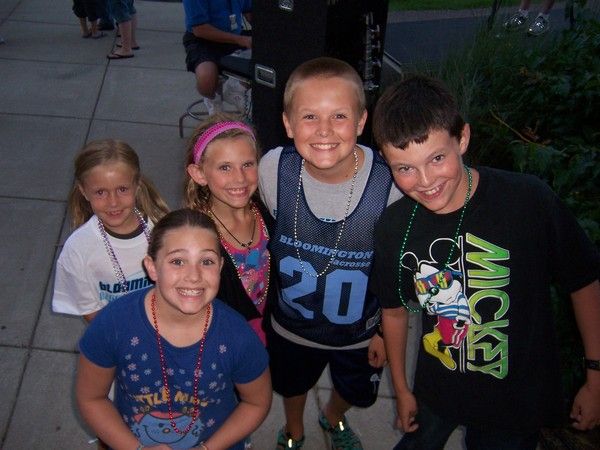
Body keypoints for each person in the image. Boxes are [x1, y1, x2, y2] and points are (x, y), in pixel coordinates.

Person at [369, 74, 600, 449]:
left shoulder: (527, 201)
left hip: (514, 401)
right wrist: (401, 389)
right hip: (438, 389)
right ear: (386, 161)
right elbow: (394, 312)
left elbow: (584, 281)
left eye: (437, 158)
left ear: (462, 138)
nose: (425, 181)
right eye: (404, 168)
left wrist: (596, 376)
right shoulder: (394, 228)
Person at [258, 56, 403, 449]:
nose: (324, 130)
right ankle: (294, 428)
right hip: (292, 324)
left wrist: (383, 331)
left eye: (339, 116)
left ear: (361, 121)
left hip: (359, 331)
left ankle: (333, 416)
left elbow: (400, 267)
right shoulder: (273, 170)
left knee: (355, 389)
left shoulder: (390, 185)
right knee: (292, 384)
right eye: (309, 117)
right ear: (288, 123)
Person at [76, 208, 272, 449]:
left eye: (207, 261)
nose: (193, 276)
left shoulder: (238, 337)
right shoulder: (113, 324)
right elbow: (91, 397)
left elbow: (256, 403)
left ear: (220, 267)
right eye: (178, 261)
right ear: (152, 267)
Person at [52, 139, 169, 322]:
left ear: (137, 185)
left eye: (122, 189)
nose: (113, 202)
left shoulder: (166, 229)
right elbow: (90, 310)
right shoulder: (78, 249)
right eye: (100, 192)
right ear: (84, 191)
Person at [184, 113, 276, 346]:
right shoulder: (195, 237)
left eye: (247, 164)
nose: (240, 178)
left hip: (274, 330)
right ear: (199, 174)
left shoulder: (268, 213)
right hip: (228, 341)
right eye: (225, 167)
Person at [182, 0, 252, 115]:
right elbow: (199, 29)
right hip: (202, 39)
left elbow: (250, 12)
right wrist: (239, 40)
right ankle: (213, 99)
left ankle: (237, 88)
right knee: (206, 78)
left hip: (235, 34)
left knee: (270, 55)